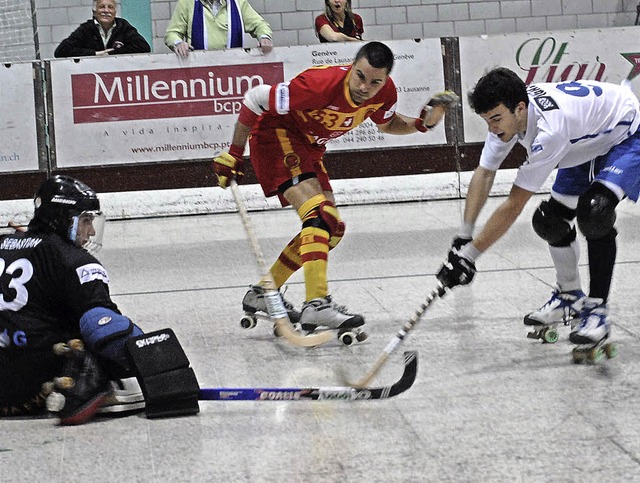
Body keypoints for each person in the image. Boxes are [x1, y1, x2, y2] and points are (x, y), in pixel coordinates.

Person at [213, 41, 458, 336]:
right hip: (276, 136)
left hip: (310, 147)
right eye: (360, 76)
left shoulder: (385, 94)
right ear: (351, 67)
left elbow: (388, 123)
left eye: (375, 82)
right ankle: (316, 304)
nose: (365, 87)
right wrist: (234, 154)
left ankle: (264, 291)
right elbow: (255, 98)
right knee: (318, 214)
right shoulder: (319, 84)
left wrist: (420, 125)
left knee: (332, 228)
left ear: (386, 80)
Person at [436, 67, 640, 353]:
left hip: (627, 134)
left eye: (496, 119)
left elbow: (513, 205)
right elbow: (484, 174)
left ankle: (597, 310)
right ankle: (569, 295)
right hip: (585, 138)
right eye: (486, 121)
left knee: (594, 213)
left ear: (520, 108)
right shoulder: (507, 117)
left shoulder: (550, 131)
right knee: (549, 220)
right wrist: (463, 237)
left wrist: (469, 257)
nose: (492, 128)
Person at [0, 175, 145, 425]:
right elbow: (106, 328)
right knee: (104, 334)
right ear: (63, 218)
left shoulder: (4, 242)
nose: (90, 231)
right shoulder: (76, 261)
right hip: (40, 382)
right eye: (86, 220)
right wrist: (149, 359)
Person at [164, 0, 273, 58]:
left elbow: (260, 24)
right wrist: (178, 43)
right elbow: (172, 33)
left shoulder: (238, 2)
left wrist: (264, 37)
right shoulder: (187, 3)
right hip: (197, 73)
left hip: (234, 71)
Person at [54, 0, 150, 58]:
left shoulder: (123, 26)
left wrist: (111, 54)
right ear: (94, 12)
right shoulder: (86, 29)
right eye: (101, 7)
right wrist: (95, 54)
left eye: (110, 7)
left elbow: (144, 47)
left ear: (115, 12)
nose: (106, 10)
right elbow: (61, 51)